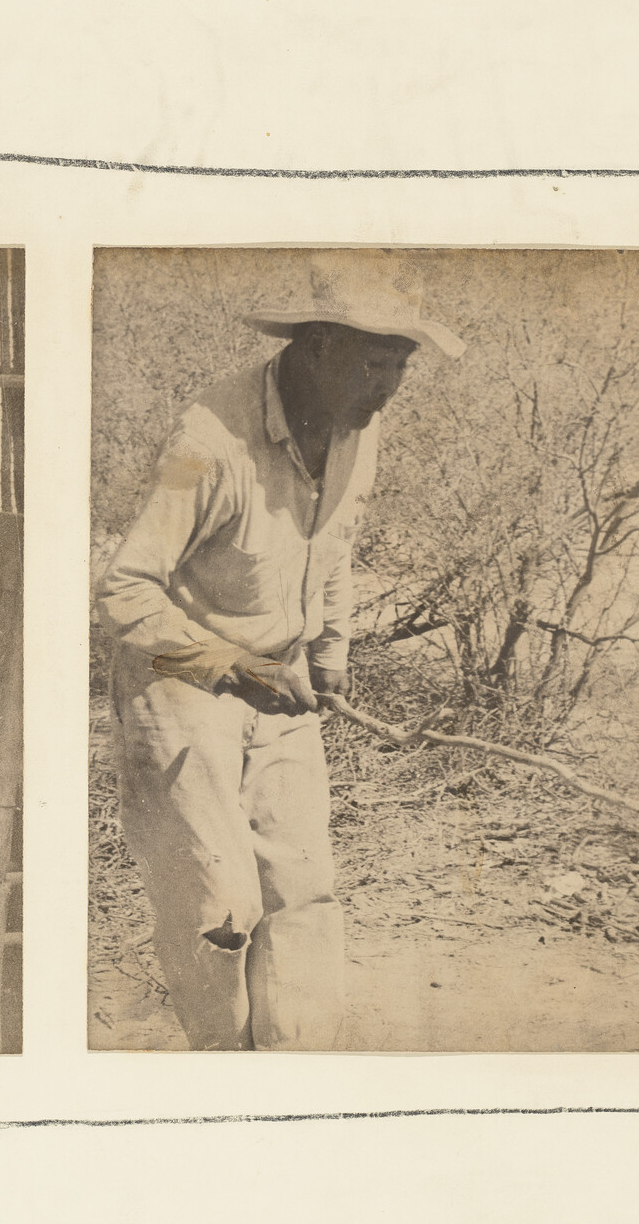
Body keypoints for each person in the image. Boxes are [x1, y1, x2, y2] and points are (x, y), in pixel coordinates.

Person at [94, 256, 466, 1051]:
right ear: (318, 345)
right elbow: (125, 592)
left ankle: (295, 1077)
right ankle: (225, 1069)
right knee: (219, 905)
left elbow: (335, 541)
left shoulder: (359, 427)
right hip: (180, 680)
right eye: (375, 364)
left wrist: (329, 652)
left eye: (402, 367)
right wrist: (229, 668)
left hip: (281, 680)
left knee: (302, 893)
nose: (389, 388)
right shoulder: (209, 441)